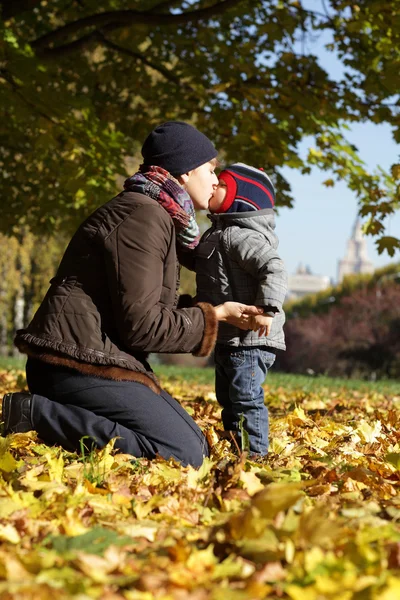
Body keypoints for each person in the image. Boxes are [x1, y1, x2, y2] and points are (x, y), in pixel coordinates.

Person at [1, 123, 263, 468]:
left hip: (94, 357)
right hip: (74, 364)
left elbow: (140, 307)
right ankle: (34, 414)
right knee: (183, 454)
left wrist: (214, 311)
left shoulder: (156, 214)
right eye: (210, 169)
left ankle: (54, 414)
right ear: (185, 171)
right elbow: (142, 326)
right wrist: (214, 316)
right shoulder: (142, 216)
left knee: (193, 447)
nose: (216, 180)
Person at [194, 163, 288, 456]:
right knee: (228, 397)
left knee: (245, 397)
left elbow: (274, 269)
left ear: (241, 198)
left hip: (250, 338)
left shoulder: (241, 236)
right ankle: (236, 445)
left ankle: (254, 455)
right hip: (228, 336)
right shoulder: (217, 233)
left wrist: (266, 308)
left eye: (219, 183)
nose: (212, 186)